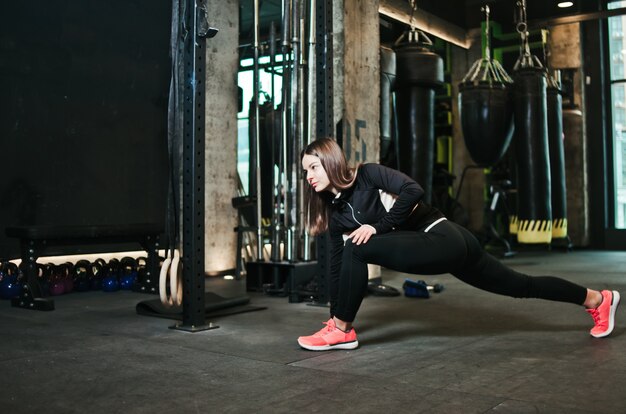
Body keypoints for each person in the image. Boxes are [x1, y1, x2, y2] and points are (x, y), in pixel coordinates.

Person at [297, 137, 620, 351]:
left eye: (314, 166)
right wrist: (334, 309)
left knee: (360, 244)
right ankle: (596, 299)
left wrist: (377, 227)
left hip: (443, 237)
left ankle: (343, 330)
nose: (310, 176)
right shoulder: (337, 213)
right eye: (306, 171)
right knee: (521, 285)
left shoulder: (368, 174)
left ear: (331, 160)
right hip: (448, 247)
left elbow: (413, 190)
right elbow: (337, 265)